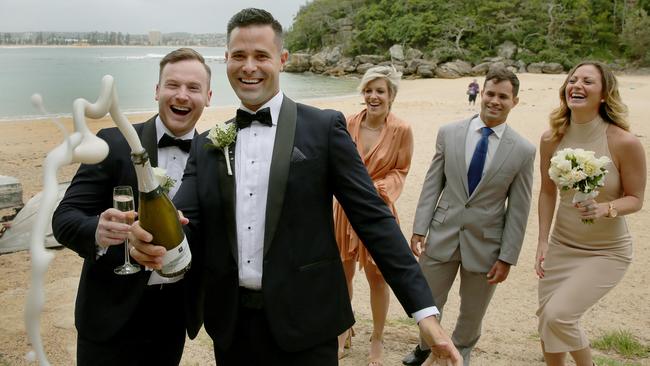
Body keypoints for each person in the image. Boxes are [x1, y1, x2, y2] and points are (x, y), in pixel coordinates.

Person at [130, 8, 462, 366]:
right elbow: (184, 222)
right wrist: (146, 235)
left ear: (282, 60)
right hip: (232, 330)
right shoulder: (209, 144)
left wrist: (424, 313)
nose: (249, 66)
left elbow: (374, 220)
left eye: (261, 56)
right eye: (239, 56)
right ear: (226, 60)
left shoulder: (323, 128)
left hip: (309, 326)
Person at [52, 48, 212, 365]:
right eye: (172, 85)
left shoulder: (215, 156)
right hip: (110, 315)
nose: (182, 95)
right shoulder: (113, 143)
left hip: (173, 317)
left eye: (193, 88)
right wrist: (98, 230)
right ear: (156, 91)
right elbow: (65, 219)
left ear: (208, 97)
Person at [402, 67, 535, 366]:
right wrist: (420, 228)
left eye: (503, 96)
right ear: (481, 93)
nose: (495, 101)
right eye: (490, 93)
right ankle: (425, 346)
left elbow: (519, 208)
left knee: (473, 310)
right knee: (429, 300)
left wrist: (508, 256)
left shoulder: (524, 150)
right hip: (442, 233)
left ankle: (461, 350)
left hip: (487, 244)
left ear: (515, 101)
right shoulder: (449, 133)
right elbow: (432, 183)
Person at [535, 61, 646, 366]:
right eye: (572, 80)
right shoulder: (551, 139)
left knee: (560, 316)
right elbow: (547, 192)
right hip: (561, 245)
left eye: (587, 81)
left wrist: (604, 209)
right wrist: (543, 241)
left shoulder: (624, 142)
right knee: (547, 322)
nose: (577, 85)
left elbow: (635, 199)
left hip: (606, 251)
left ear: (604, 95)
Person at [333, 65, 413, 364]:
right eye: (368, 90)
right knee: (343, 274)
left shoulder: (401, 129)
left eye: (379, 91)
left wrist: (379, 187)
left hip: (379, 208)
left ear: (391, 95)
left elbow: (401, 170)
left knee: (378, 277)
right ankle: (343, 328)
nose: (373, 96)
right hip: (344, 208)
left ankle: (377, 337)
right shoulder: (348, 123)